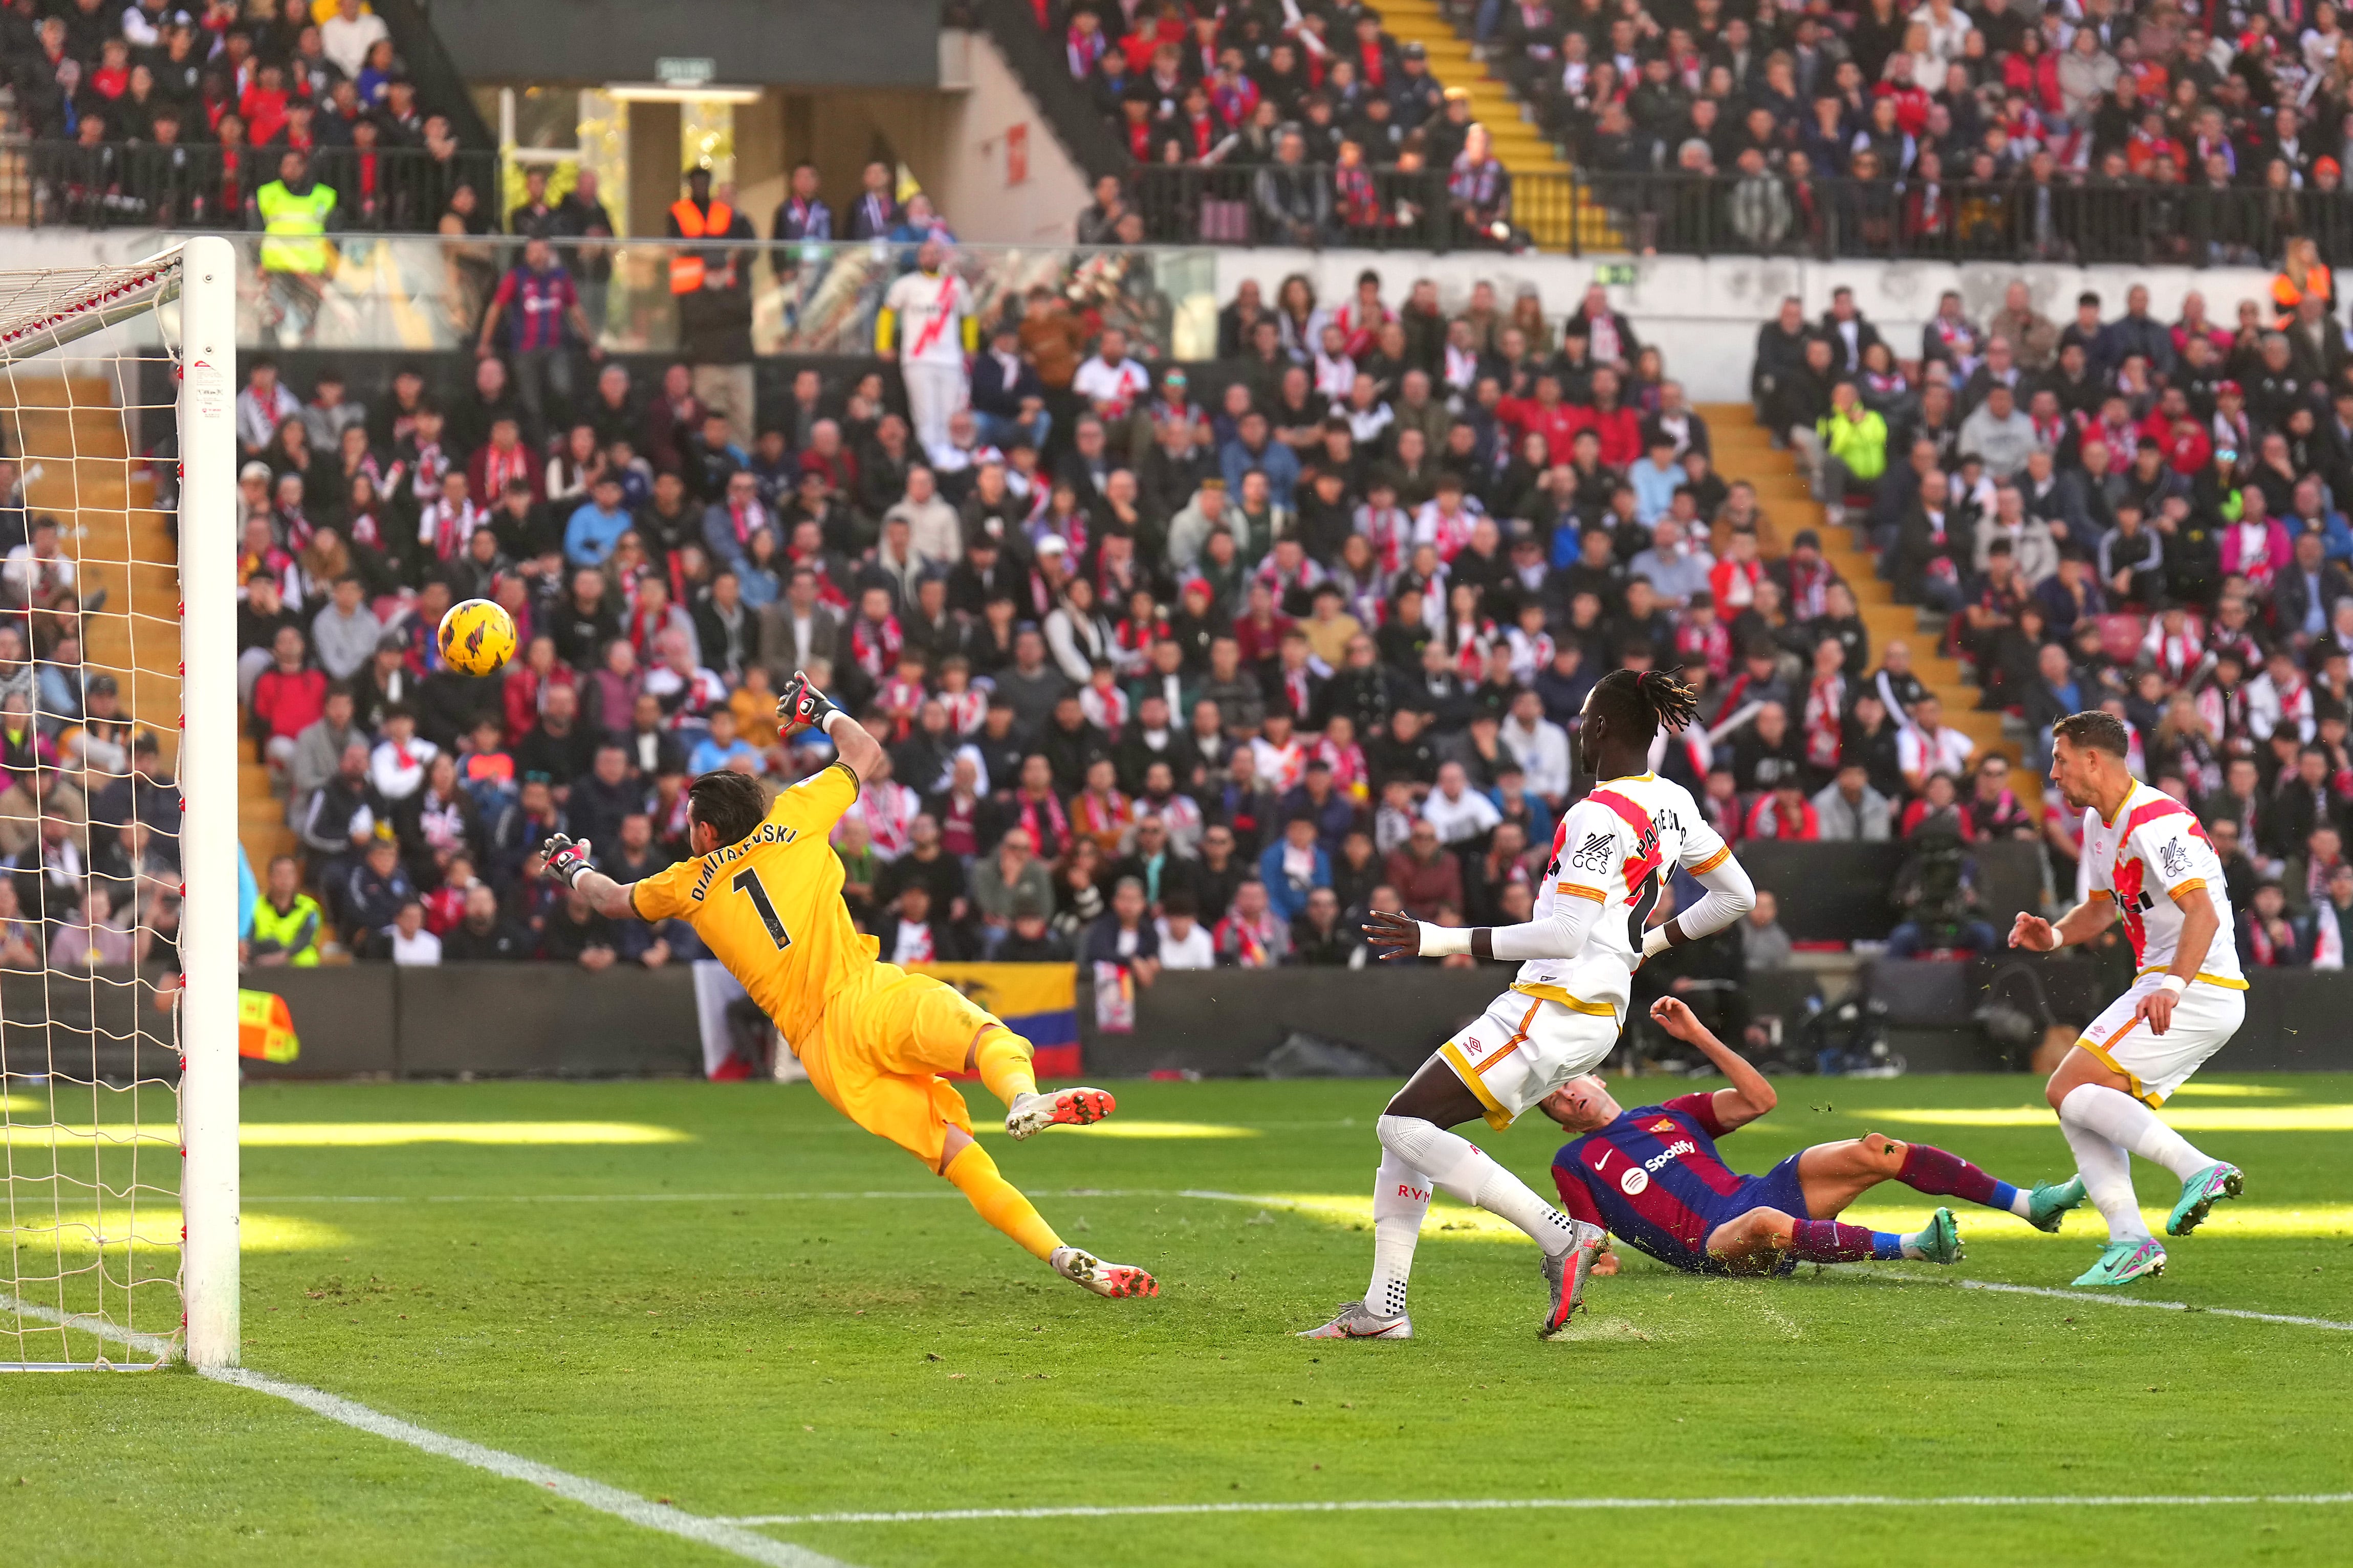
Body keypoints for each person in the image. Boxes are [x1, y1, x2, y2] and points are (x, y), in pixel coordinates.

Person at [540, 670, 1156, 1300]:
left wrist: (571, 863)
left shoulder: (686, 885)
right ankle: (1022, 1097)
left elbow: (611, 899)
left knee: (957, 1155)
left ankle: (1057, 1252)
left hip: (825, 1054)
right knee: (984, 1037)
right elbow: (865, 753)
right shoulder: (794, 817)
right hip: (865, 995)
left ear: (706, 833)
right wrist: (819, 709)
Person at [1300, 669, 1756, 1342]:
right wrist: (1644, 948)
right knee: (1408, 1127)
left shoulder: (1595, 815)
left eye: (1581, 716)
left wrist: (1438, 939)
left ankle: (1560, 1237)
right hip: (1591, 1012)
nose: (1576, 727)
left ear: (1600, 728)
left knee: (1400, 1127)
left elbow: (1565, 933)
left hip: (1554, 1002)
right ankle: (1382, 1308)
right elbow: (1735, 896)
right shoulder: (1672, 804)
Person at [1547, 996, 2079, 1275]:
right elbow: (1589, 1235)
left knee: (1875, 1148)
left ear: (1594, 1074)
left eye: (1568, 1084)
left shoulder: (1670, 1113)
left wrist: (1697, 1035)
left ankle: (2027, 1204)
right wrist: (1601, 1258)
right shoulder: (1575, 1157)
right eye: (1555, 1102)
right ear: (1565, 1122)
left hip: (1758, 1191)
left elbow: (1760, 1099)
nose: (1569, 1096)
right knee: (1761, 1222)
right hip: (1712, 1242)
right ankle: (1916, 1247)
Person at [2007, 711, 2248, 1289]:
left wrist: (2170, 986)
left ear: (2093, 759)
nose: (2053, 773)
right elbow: (2098, 908)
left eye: (2060, 759)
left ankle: (2195, 1170)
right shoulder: (2099, 821)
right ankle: (2127, 1240)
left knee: (2063, 1088)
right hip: (2181, 987)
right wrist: (2056, 935)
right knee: (2082, 1102)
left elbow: (2203, 911)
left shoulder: (2154, 820)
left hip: (2191, 985)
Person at [879, 237, 976, 462]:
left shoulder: (956, 284)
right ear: (919, 258)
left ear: (941, 257)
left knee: (950, 415)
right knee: (924, 416)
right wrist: (883, 345)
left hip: (950, 360)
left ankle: (948, 460)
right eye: (925, 254)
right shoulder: (905, 284)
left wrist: (971, 346)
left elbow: (969, 316)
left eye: (935, 253)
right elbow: (887, 313)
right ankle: (928, 460)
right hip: (917, 359)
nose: (930, 258)